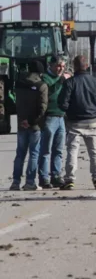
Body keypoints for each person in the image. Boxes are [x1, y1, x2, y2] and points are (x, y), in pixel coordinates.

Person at [59, 56, 96, 190]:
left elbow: (62, 104)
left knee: (72, 151)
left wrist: (69, 112)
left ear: (74, 67)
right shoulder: (95, 82)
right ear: (87, 66)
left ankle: (70, 179)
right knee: (94, 152)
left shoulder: (70, 83)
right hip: (92, 121)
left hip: (74, 122)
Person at [11, 61, 48, 191]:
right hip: (34, 126)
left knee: (20, 153)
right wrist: (32, 121)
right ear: (40, 72)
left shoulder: (19, 84)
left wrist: (23, 120)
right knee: (34, 153)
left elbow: (16, 104)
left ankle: (15, 182)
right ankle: (30, 182)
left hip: (21, 124)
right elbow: (42, 108)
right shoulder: (41, 86)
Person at [39, 57, 67, 189]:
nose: (60, 68)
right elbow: (47, 93)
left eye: (62, 66)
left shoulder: (64, 79)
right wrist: (61, 80)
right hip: (49, 117)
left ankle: (56, 175)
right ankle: (44, 178)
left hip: (61, 117)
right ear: (50, 65)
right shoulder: (45, 78)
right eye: (58, 66)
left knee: (58, 149)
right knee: (46, 150)